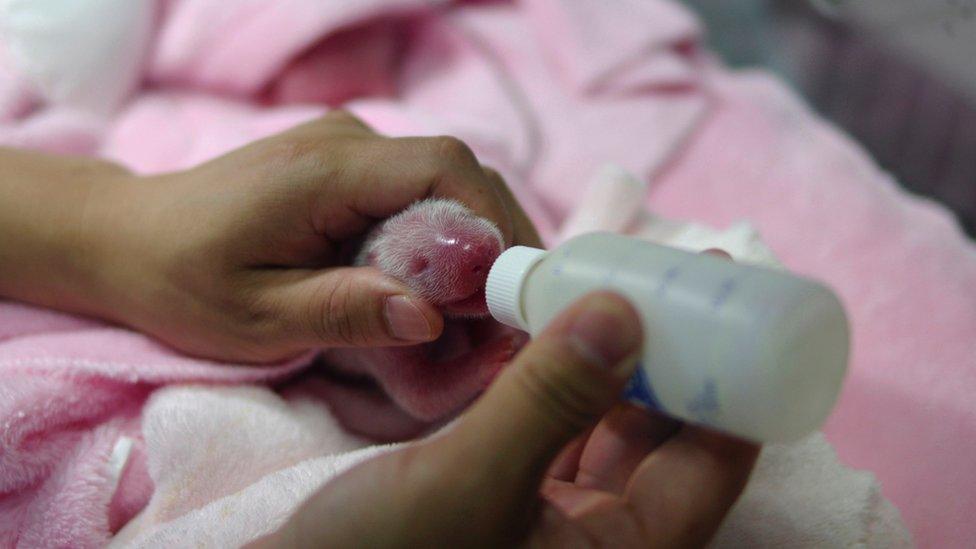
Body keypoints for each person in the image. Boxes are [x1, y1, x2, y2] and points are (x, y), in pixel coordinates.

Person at [0, 111, 758, 547]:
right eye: (441, 264)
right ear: (396, 276)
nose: (476, 264)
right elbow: (424, 397)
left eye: (473, 246)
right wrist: (492, 368)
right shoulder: (380, 318)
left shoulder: (435, 252)